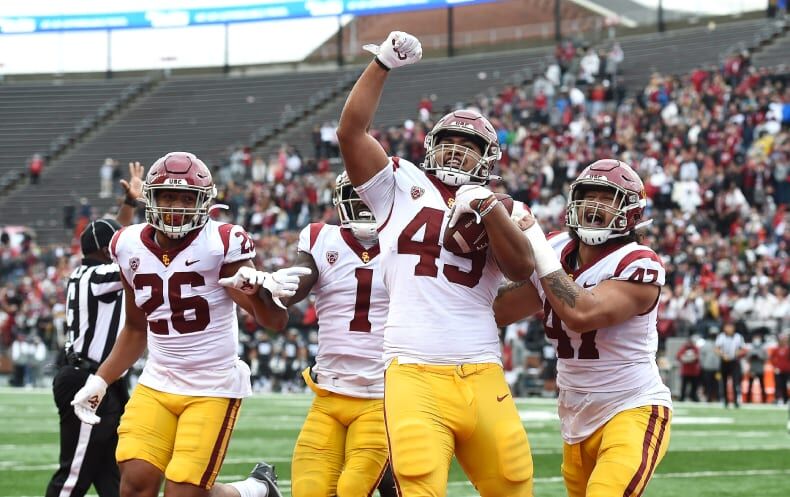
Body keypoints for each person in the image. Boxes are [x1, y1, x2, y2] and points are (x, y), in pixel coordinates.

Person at [336, 31, 535, 496]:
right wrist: (382, 64)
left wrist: (487, 209)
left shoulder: (502, 205)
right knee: (420, 481)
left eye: (468, 147)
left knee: (513, 482)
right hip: (412, 365)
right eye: (448, 142)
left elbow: (521, 269)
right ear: (430, 146)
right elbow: (350, 132)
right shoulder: (398, 183)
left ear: (487, 159)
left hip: (481, 364)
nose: (455, 152)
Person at [69, 152, 307, 497]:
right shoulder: (127, 244)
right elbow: (137, 328)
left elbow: (275, 321)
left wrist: (257, 291)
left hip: (212, 385)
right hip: (158, 380)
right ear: (151, 198)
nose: (176, 206)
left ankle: (253, 491)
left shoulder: (222, 241)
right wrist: (100, 380)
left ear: (204, 202)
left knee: (184, 493)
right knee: (134, 484)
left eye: (186, 198)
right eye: (168, 196)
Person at [495, 158, 673, 497]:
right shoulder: (557, 248)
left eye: (606, 198)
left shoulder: (639, 261)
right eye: (588, 195)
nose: (594, 205)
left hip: (631, 407)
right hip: (575, 419)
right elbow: (498, 310)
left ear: (632, 211)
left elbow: (581, 312)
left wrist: (534, 241)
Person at [282, 171, 394, 497]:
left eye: (372, 198)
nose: (365, 207)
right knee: (309, 490)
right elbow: (295, 286)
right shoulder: (320, 238)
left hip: (384, 394)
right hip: (329, 392)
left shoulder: (407, 240)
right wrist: (271, 284)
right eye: (357, 197)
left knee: (356, 488)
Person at [46, 162, 144, 497]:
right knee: (73, 477)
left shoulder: (87, 272)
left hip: (101, 381)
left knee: (111, 478)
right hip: (88, 380)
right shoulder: (100, 277)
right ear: (106, 251)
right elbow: (133, 258)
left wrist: (129, 204)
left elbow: (117, 243)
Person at [715, 321, 746, 408]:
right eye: (727, 327)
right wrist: (723, 355)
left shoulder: (738, 337)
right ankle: (725, 401)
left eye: (730, 327)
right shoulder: (721, 336)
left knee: (736, 382)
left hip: (734, 362)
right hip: (724, 362)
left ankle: (736, 401)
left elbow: (743, 349)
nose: (729, 329)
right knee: (723, 382)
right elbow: (716, 349)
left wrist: (738, 353)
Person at [675, 335, 701, 401]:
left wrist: (692, 358)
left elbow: (698, 357)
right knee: (684, 386)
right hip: (685, 371)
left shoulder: (695, 348)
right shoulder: (683, 348)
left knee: (694, 386)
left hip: (693, 371)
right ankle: (682, 397)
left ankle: (693, 397)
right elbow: (678, 356)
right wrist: (684, 358)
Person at [769, 333, 790, 405]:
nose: (783, 341)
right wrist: (775, 367)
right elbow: (771, 358)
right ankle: (779, 399)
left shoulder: (788, 349)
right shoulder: (776, 349)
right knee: (779, 385)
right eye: (782, 340)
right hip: (778, 371)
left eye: (785, 340)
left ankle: (786, 399)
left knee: (787, 385)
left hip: (788, 371)